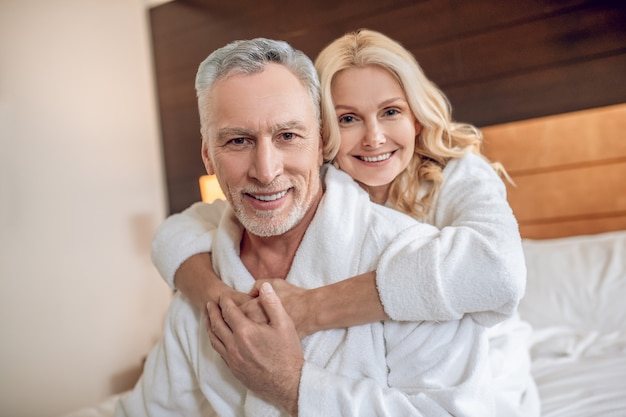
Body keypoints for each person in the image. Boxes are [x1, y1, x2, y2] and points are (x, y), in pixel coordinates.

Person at [151, 29, 539, 416]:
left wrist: (310, 309)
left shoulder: (456, 175)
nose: (373, 138)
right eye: (349, 118)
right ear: (327, 135)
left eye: (391, 111)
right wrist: (215, 299)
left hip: (489, 362)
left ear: (417, 117)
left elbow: (499, 270)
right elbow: (176, 233)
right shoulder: (314, 184)